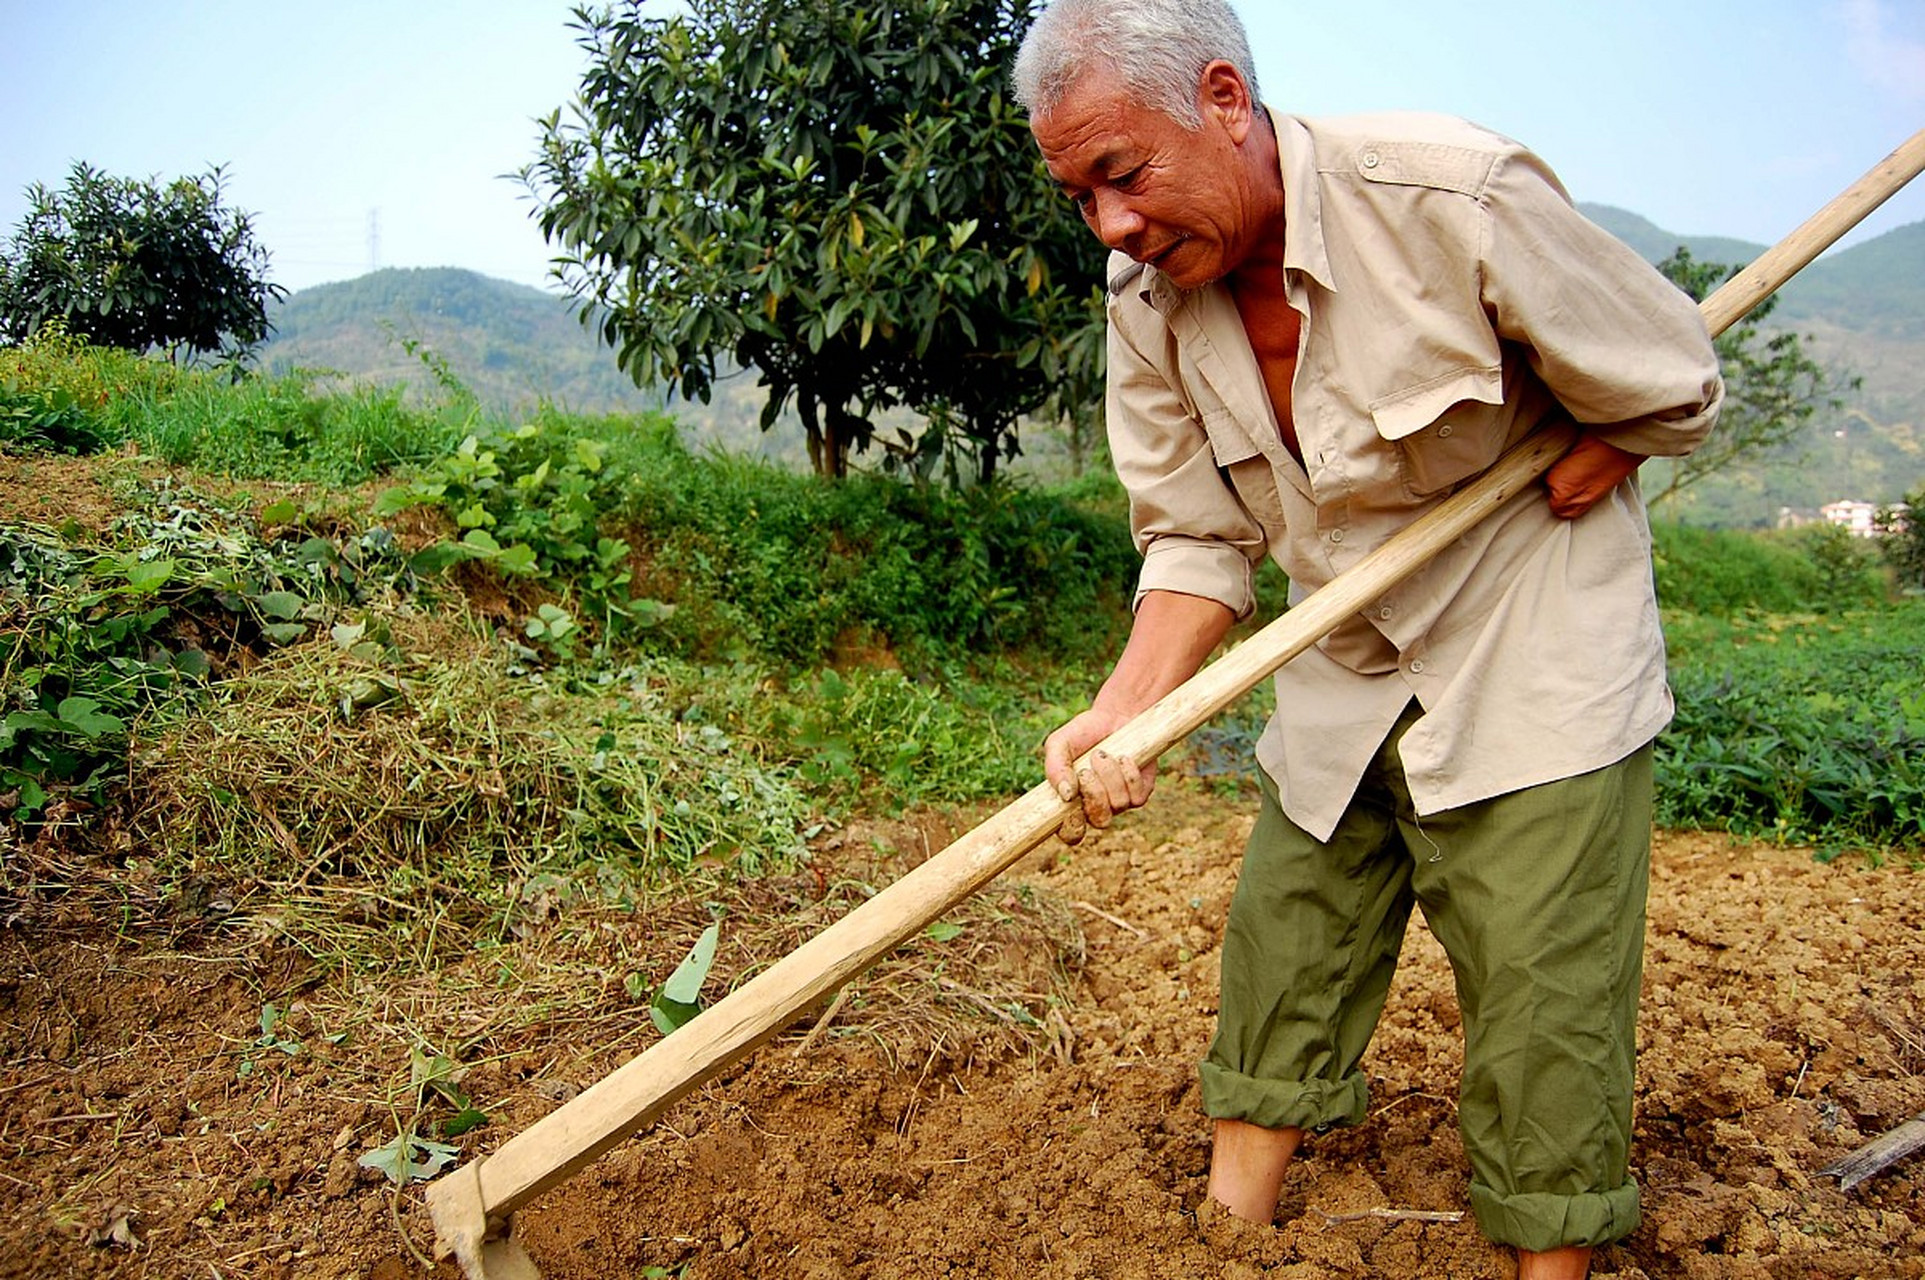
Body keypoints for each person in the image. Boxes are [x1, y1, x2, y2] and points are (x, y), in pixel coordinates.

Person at [1011, 2, 1724, 1277]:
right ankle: (1225, 1238)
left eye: (1123, 174)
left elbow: (1671, 373)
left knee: (1541, 986)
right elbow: (1194, 537)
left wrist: (1613, 438)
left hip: (1528, 641)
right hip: (1341, 653)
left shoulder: (1452, 197)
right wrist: (1126, 708)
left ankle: (1548, 1259)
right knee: (1286, 934)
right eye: (1080, 197)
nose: (1110, 224)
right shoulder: (1145, 298)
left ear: (1223, 99)